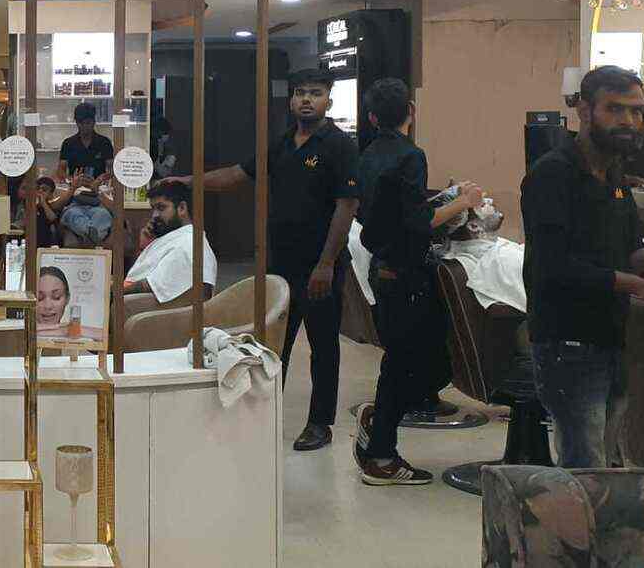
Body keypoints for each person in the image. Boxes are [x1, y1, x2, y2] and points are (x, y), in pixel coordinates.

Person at [173, 68, 360, 451]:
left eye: (315, 93)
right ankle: (265, 415)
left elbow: (346, 206)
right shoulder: (282, 143)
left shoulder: (339, 145)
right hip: (281, 265)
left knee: (323, 346)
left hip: (320, 266)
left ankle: (320, 423)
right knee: (274, 344)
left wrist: (326, 264)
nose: (306, 99)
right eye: (300, 92)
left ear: (328, 100)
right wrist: (188, 182)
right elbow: (237, 175)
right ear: (291, 100)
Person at [522, 65, 644, 469]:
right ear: (584, 111)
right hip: (568, 342)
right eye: (615, 109)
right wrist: (635, 286)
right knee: (585, 467)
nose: (629, 121)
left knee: (609, 464)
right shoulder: (552, 174)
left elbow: (629, 242)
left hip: (615, 335)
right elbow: (552, 266)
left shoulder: (614, 175)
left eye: (636, 111)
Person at [351, 79, 481, 485]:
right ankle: (382, 455)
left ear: (372, 117)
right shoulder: (411, 155)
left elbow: (392, 211)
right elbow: (417, 222)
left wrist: (443, 199)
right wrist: (463, 202)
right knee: (417, 363)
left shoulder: (367, 155)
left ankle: (379, 424)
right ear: (411, 110)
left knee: (405, 360)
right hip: (405, 272)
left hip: (382, 268)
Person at [121, 180, 218, 305]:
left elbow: (150, 286)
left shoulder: (188, 242)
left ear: (182, 208)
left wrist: (112, 289)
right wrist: (144, 244)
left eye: (161, 208)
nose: (154, 215)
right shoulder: (176, 238)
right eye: (153, 209)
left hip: (145, 312)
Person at [56, 102, 116, 246]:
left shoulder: (104, 143)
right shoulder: (69, 143)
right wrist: (72, 181)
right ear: (76, 123)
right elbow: (60, 170)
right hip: (76, 197)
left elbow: (112, 170)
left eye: (88, 123)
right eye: (81, 123)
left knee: (103, 215)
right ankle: (91, 235)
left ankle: (86, 234)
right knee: (71, 214)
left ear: (94, 122)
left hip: (98, 196)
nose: (85, 127)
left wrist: (100, 180)